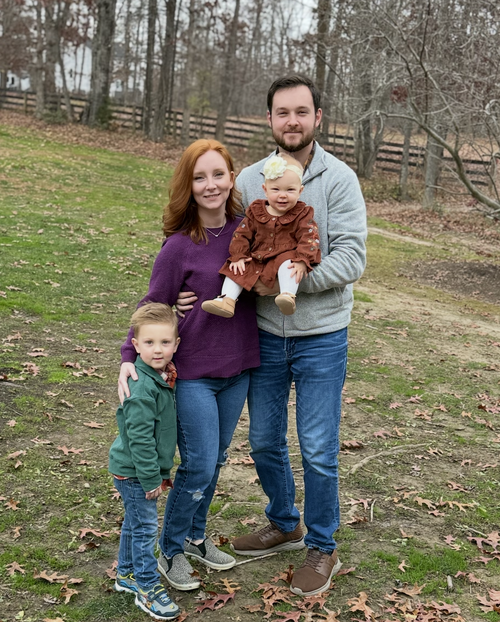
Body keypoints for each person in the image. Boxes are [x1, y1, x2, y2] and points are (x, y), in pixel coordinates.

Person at [176, 75, 367, 598]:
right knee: (263, 440)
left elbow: (352, 258)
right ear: (269, 119)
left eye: (302, 111)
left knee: (318, 447)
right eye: (282, 112)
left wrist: (287, 283)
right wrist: (186, 291)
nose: (292, 121)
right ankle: (285, 522)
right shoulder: (251, 179)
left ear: (318, 117)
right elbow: (224, 242)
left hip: (321, 336)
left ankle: (322, 546)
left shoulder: (340, 179)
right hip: (262, 335)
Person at [118, 139, 260, 592]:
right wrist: (128, 356)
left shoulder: (248, 231)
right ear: (189, 185)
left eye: (218, 174)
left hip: (238, 367)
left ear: (232, 178)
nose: (211, 184)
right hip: (194, 372)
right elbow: (151, 305)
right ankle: (171, 548)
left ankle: (196, 538)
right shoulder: (179, 246)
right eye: (200, 177)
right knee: (197, 463)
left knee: (215, 460)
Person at [110, 302, 180, 620]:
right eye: (149, 342)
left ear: (176, 344)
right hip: (136, 473)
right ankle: (146, 585)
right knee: (146, 529)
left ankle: (125, 573)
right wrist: (152, 477)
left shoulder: (158, 377)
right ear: (135, 345)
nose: (158, 349)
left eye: (165, 342)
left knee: (135, 522)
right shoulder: (142, 387)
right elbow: (139, 439)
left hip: (136, 469)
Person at [201, 153, 320, 318]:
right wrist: (239, 256)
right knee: (238, 268)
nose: (283, 195)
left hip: (283, 258)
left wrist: (302, 260)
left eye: (290, 190)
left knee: (290, 265)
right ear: (265, 189)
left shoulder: (302, 214)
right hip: (258, 258)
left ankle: (287, 295)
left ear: (300, 191)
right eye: (276, 189)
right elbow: (241, 234)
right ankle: (227, 299)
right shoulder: (256, 211)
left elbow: (309, 237)